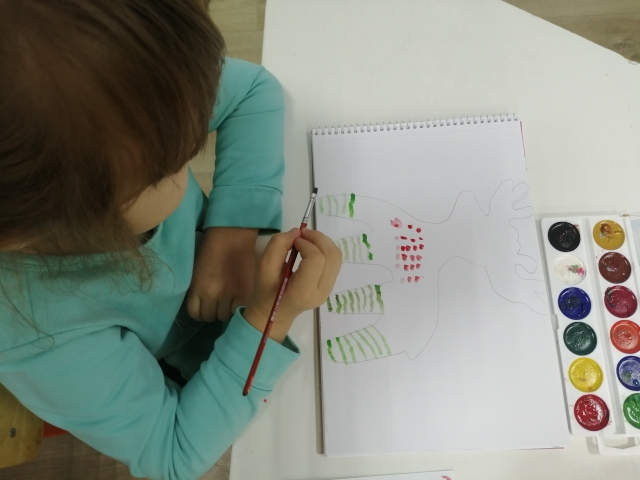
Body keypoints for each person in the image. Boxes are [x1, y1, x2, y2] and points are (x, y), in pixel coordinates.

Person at [0, 1, 341, 479]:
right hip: (198, 377)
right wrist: (270, 319)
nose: (189, 159)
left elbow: (251, 89)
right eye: (172, 164)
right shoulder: (33, 333)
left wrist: (232, 237)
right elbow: (172, 457)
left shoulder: (112, 94)